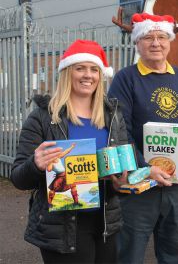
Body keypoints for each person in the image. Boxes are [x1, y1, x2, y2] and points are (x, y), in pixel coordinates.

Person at [108, 13, 178, 264]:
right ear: (137, 42)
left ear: (170, 41)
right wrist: (146, 168)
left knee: (173, 253)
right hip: (140, 187)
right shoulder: (125, 79)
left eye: (161, 37)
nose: (155, 43)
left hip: (177, 186)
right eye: (148, 37)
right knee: (129, 254)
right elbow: (119, 130)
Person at [11, 39, 129, 263]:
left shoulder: (112, 115)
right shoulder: (43, 117)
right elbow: (18, 178)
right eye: (80, 68)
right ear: (67, 72)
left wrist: (121, 184)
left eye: (94, 69)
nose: (88, 75)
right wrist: (35, 164)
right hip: (62, 227)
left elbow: (120, 170)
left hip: (105, 222)